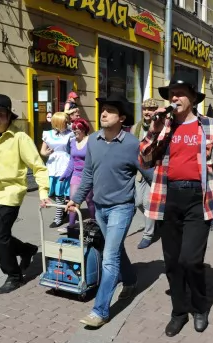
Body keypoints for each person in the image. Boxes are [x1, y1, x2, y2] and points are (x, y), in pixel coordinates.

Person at [140, 72, 213, 337]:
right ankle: (178, 312)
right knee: (172, 262)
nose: (175, 97)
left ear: (193, 99)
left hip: (199, 199)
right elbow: (145, 160)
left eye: (181, 93)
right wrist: (154, 130)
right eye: (172, 93)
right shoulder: (164, 127)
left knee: (191, 260)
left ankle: (199, 306)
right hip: (168, 197)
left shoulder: (211, 126)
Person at [66, 93, 139, 328]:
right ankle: (130, 281)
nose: (103, 113)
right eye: (102, 110)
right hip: (99, 208)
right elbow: (88, 173)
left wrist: (155, 203)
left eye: (110, 110)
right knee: (114, 249)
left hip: (122, 208)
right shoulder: (94, 141)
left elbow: (149, 174)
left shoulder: (132, 144)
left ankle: (100, 311)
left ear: (122, 118)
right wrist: (76, 200)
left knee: (109, 257)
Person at [0, 94, 50, 294]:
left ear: (8, 116)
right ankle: (27, 250)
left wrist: (43, 193)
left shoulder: (20, 138)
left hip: (10, 192)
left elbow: (39, 167)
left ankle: (14, 276)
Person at [131, 98, 158, 249]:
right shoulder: (136, 127)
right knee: (138, 202)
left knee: (148, 202)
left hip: (155, 169)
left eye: (151, 109)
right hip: (140, 170)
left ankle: (148, 235)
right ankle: (155, 218)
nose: (148, 112)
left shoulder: (162, 126)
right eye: (145, 109)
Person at [61, 117, 95, 231]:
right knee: (73, 200)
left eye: (77, 128)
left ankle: (94, 222)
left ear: (84, 129)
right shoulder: (72, 142)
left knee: (90, 200)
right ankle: (71, 225)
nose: (75, 130)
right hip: (76, 174)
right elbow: (72, 160)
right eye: (73, 128)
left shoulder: (91, 141)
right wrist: (65, 174)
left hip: (89, 175)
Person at [40, 112, 73, 228]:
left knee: (59, 193)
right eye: (65, 121)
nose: (67, 123)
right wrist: (46, 153)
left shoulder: (70, 134)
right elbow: (42, 151)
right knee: (51, 192)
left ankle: (58, 218)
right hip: (52, 164)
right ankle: (63, 207)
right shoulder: (48, 134)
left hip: (64, 164)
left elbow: (73, 149)